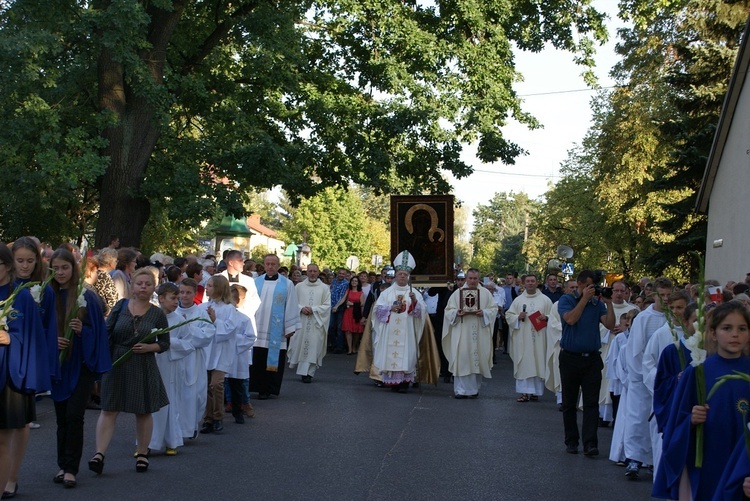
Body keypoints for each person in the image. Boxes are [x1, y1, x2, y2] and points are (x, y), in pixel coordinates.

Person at [653, 301, 750, 500]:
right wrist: (690, 420)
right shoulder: (698, 372)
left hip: (744, 461)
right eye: (727, 328)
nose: (735, 334)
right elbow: (674, 424)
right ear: (712, 333)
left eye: (742, 329)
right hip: (708, 457)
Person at [89, 267, 170, 475]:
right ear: (132, 286)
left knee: (143, 411)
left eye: (148, 284)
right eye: (139, 283)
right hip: (117, 362)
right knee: (109, 408)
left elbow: (164, 343)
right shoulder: (120, 306)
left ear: (153, 288)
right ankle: (99, 454)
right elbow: (106, 334)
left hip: (143, 364)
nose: (143, 287)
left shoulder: (157, 314)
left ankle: (142, 453)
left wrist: (149, 347)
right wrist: (102, 363)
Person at [49, 249, 111, 487]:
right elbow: (41, 328)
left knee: (75, 415)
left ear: (73, 268)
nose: (60, 272)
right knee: (62, 418)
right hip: (60, 365)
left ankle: (71, 468)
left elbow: (98, 334)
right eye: (55, 268)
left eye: (65, 267)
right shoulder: (48, 294)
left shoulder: (86, 296)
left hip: (81, 365)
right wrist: (52, 340)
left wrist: (80, 330)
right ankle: (62, 464)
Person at [0, 243, 50, 499]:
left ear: (6, 266)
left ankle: (11, 478)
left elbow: (32, 337)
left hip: (11, 372)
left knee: (7, 434)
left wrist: (10, 338)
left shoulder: (20, 296)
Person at [557, 269, 615, 457]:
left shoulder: (596, 303)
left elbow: (609, 324)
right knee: (569, 402)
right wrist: (583, 299)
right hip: (570, 358)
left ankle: (590, 443)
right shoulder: (566, 300)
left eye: (594, 286)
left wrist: (609, 303)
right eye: (589, 285)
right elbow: (571, 320)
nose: (593, 289)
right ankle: (572, 441)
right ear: (581, 284)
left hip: (591, 359)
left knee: (591, 403)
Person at [623, 277, 672, 478]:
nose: (666, 299)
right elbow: (636, 350)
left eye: (669, 295)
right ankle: (634, 458)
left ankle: (654, 459)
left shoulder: (673, 317)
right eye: (662, 295)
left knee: (658, 421)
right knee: (638, 418)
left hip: (666, 379)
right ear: (654, 295)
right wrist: (647, 376)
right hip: (643, 377)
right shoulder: (644, 318)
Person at [371, 251, 427, 393]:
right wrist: (390, 308)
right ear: (395, 275)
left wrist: (414, 301)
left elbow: (421, 313)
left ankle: (404, 383)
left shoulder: (414, 293)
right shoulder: (387, 293)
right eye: (400, 274)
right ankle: (393, 382)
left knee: (406, 354)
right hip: (390, 330)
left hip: (407, 331)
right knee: (391, 353)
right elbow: (377, 310)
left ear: (408, 277)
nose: (402, 276)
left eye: (405, 275)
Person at [249, 254, 300, 400]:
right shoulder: (255, 282)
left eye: (273, 264)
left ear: (278, 266)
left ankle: (269, 389)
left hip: (277, 330)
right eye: (267, 264)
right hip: (257, 327)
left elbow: (291, 304)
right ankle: (256, 387)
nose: (270, 266)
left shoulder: (287, 283)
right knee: (257, 358)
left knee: (272, 359)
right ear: (264, 265)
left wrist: (290, 326)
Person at [442, 268, 498, 398]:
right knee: (462, 359)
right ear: (466, 278)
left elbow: (493, 309)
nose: (472, 281)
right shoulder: (458, 293)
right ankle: (461, 390)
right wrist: (457, 313)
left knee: (477, 359)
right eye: (470, 278)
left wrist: (483, 312)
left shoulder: (485, 293)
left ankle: (474, 389)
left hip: (479, 331)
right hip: (462, 331)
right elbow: (448, 310)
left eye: (475, 278)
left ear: (479, 279)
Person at [174, 279, 216, 437]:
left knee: (195, 395)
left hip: (194, 359)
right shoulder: (172, 312)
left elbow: (207, 335)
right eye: (182, 292)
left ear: (195, 294)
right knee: (177, 394)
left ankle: (190, 427)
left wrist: (187, 326)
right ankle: (177, 430)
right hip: (176, 358)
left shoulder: (201, 313)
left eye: (188, 292)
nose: (184, 296)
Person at [149, 283, 185, 455]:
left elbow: (189, 342)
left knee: (169, 402)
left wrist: (171, 343)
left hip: (170, 364)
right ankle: (147, 442)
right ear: (161, 298)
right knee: (150, 401)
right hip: (152, 363)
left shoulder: (179, 320)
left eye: (177, 299)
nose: (176, 302)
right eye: (173, 298)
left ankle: (172, 440)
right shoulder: (151, 316)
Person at [505, 274, 553, 402]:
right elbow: (509, 315)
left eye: (533, 281)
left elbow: (554, 316)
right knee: (524, 363)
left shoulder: (545, 300)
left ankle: (536, 392)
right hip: (523, 339)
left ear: (537, 283)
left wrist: (546, 317)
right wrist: (517, 317)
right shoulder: (518, 300)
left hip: (539, 337)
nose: (530, 283)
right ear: (524, 284)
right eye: (528, 281)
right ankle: (524, 392)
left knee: (538, 361)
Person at [200, 275, 237, 433]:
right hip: (208, 350)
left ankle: (218, 416)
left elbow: (229, 329)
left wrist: (215, 321)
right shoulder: (204, 306)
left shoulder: (229, 308)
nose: (206, 288)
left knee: (216, 384)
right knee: (206, 387)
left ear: (219, 289)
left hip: (221, 352)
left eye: (209, 286)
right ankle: (208, 419)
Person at [288, 264, 331, 383]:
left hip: (316, 322)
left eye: (314, 271)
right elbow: (292, 302)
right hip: (301, 321)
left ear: (318, 273)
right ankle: (303, 372)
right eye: (310, 271)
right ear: (306, 272)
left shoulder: (324, 288)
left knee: (313, 346)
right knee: (300, 345)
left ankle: (309, 373)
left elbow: (327, 306)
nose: (312, 273)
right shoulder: (299, 287)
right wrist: (301, 308)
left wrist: (314, 309)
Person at [545, 279, 577, 409]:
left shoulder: (583, 304)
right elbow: (552, 324)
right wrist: (569, 329)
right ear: (565, 289)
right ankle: (562, 400)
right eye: (571, 287)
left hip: (579, 345)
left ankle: (575, 401)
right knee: (562, 372)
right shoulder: (557, 305)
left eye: (576, 287)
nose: (574, 289)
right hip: (562, 344)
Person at [227, 285, 256, 424]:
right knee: (220, 384)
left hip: (237, 356)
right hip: (223, 354)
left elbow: (251, 337)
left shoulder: (244, 318)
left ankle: (238, 411)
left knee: (237, 384)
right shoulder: (220, 315)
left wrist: (234, 340)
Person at [333, 276, 365, 355]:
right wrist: (336, 306)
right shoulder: (348, 291)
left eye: (356, 281)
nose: (354, 282)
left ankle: (354, 347)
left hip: (356, 313)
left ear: (358, 283)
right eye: (353, 281)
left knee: (356, 331)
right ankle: (350, 349)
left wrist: (353, 304)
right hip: (348, 312)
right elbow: (343, 299)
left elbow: (362, 303)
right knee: (348, 331)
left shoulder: (360, 292)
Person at [328, 268, 349, 354]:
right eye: (340, 273)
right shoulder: (333, 281)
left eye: (343, 274)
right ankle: (333, 345)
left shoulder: (346, 284)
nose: (341, 275)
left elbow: (343, 296)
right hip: (331, 306)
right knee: (330, 327)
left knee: (339, 328)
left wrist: (337, 306)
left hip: (340, 307)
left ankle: (339, 347)